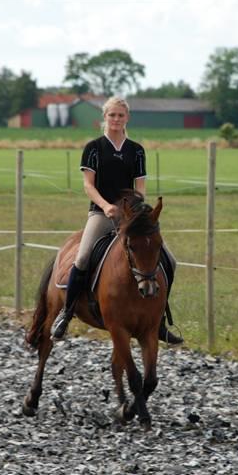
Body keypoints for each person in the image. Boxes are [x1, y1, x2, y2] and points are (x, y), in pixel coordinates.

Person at [50, 96, 183, 345]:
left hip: (130, 217)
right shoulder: (93, 148)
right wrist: (106, 206)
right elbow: (88, 185)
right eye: (112, 115)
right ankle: (66, 314)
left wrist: (135, 212)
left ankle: (161, 321)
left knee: (170, 260)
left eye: (120, 115)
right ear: (105, 117)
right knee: (82, 257)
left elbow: (140, 189)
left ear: (127, 118)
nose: (116, 119)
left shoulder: (137, 150)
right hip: (101, 213)